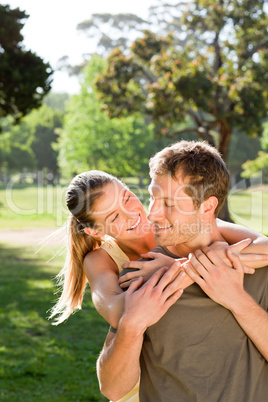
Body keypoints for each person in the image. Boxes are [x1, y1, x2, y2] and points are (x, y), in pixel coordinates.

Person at [97, 141, 268, 402]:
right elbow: (113, 389)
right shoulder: (142, 274)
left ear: (207, 207)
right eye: (153, 197)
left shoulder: (260, 270)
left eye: (168, 204)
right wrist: (132, 325)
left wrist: (238, 301)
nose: (152, 214)